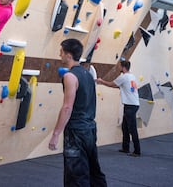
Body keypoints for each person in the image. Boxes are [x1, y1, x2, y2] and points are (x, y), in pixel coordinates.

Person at [49, 38, 107, 186]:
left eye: (61, 51)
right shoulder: (88, 75)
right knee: (94, 171)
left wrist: (55, 134)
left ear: (68, 55)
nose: (59, 54)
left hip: (76, 132)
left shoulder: (70, 76)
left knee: (76, 176)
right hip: (90, 130)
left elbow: (67, 107)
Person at [96, 60, 141, 157]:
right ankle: (125, 148)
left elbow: (112, 84)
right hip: (132, 104)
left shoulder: (123, 77)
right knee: (125, 127)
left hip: (130, 105)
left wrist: (101, 81)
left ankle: (137, 151)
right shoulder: (131, 76)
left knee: (132, 129)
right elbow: (121, 87)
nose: (117, 67)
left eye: (119, 66)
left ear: (123, 67)